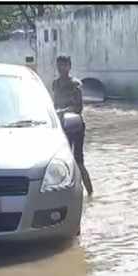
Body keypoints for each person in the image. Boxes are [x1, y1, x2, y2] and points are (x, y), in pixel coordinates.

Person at [52, 55, 93, 196]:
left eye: (64, 65)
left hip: (76, 126)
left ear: (69, 66)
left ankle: (90, 194)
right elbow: (54, 104)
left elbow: (78, 108)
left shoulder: (75, 84)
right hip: (62, 127)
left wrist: (62, 111)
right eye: (59, 65)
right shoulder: (55, 84)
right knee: (64, 163)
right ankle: (70, 195)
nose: (61, 68)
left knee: (78, 161)